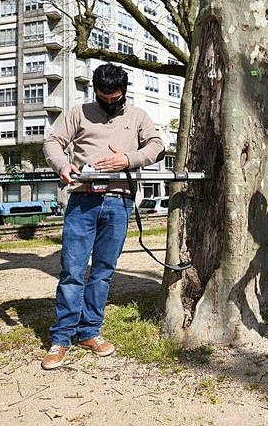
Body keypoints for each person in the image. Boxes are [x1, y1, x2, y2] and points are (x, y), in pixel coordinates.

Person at [41, 63, 164, 369]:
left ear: (125, 92)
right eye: (104, 97)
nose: (110, 103)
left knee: (103, 271)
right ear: (94, 90)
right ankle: (62, 337)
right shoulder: (78, 112)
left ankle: (90, 331)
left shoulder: (137, 116)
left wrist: (129, 159)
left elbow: (158, 145)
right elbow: (51, 142)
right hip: (83, 200)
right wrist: (61, 166)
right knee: (72, 270)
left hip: (119, 201)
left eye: (116, 98)